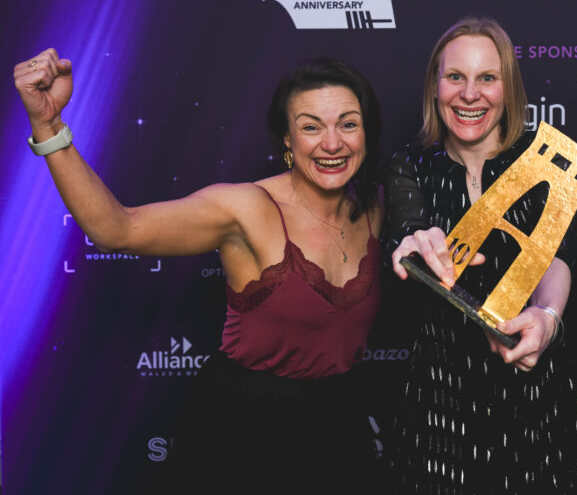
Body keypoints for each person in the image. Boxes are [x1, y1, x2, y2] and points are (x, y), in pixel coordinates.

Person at [13, 50, 386, 494]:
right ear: (287, 139)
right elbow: (118, 230)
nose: (332, 143)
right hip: (245, 434)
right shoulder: (245, 208)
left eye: (348, 124)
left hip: (339, 430)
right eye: (311, 127)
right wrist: (49, 126)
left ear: (366, 133)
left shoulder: (377, 205)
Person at [385, 17, 577, 493]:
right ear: (435, 87)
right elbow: (411, 229)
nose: (470, 94)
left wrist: (547, 318)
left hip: (534, 394)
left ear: (507, 89)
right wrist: (416, 244)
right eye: (455, 77)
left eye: (487, 78)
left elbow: (555, 257)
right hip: (439, 400)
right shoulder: (409, 165)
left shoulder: (547, 162)